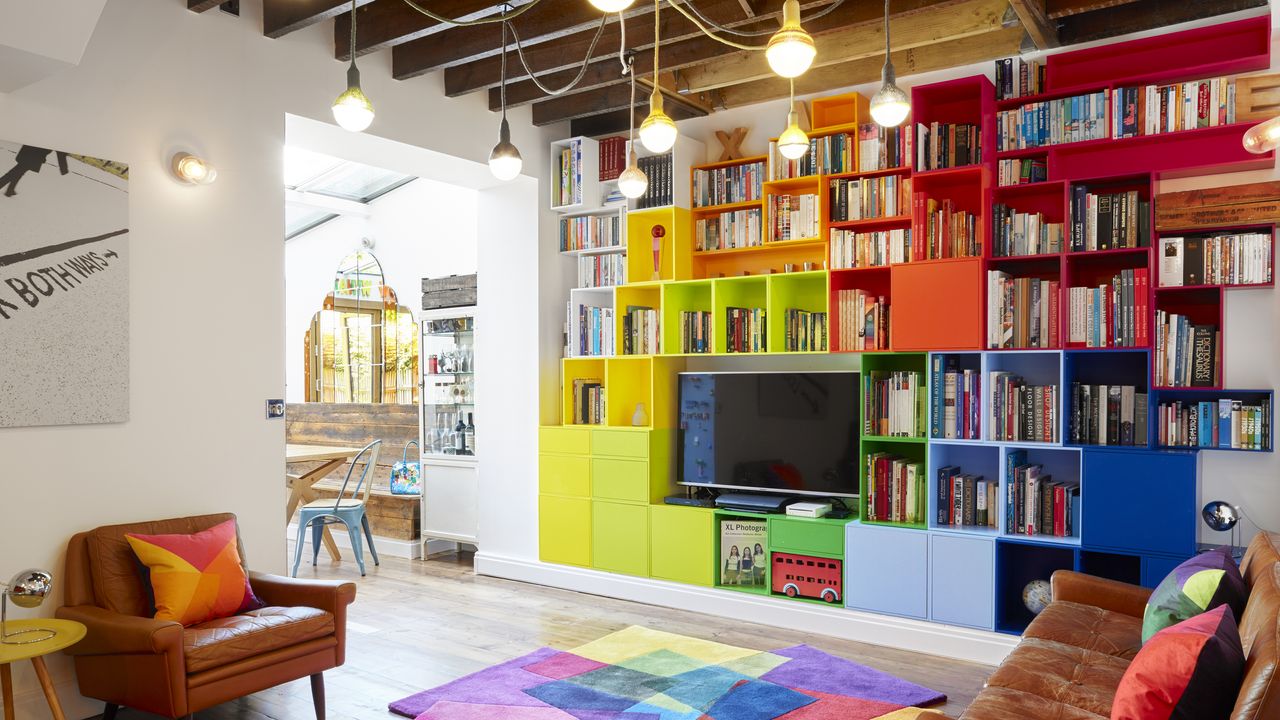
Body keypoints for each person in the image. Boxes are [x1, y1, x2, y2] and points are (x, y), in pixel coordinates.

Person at [0, 145, 69, 198]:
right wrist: (64, 169)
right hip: (34, 155)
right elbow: (61, 153)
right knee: (17, 171)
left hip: (29, 151)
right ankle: (8, 189)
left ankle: (10, 189)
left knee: (19, 170)